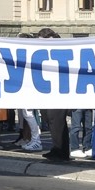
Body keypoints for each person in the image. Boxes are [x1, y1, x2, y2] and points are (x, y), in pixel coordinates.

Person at [37, 28, 73, 163]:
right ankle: (57, 148)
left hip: (59, 92)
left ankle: (61, 151)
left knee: (56, 121)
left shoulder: (59, 49)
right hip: (47, 91)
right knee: (49, 119)